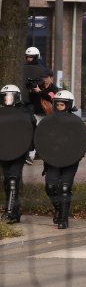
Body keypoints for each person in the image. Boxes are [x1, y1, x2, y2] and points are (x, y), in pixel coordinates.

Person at [42, 91, 84, 229]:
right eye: (57, 104)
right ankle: (59, 209)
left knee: (65, 187)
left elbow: (81, 142)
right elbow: (43, 140)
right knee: (50, 187)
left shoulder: (76, 123)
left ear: (69, 105)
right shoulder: (49, 121)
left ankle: (63, 219)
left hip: (70, 161)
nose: (60, 107)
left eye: (62, 104)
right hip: (52, 160)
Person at [0, 85, 36, 224]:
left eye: (10, 96)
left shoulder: (25, 112)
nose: (7, 99)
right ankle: (15, 211)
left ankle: (9, 213)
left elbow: (33, 127)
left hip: (19, 151)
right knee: (7, 181)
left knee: (13, 179)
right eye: (5, 96)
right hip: (4, 151)